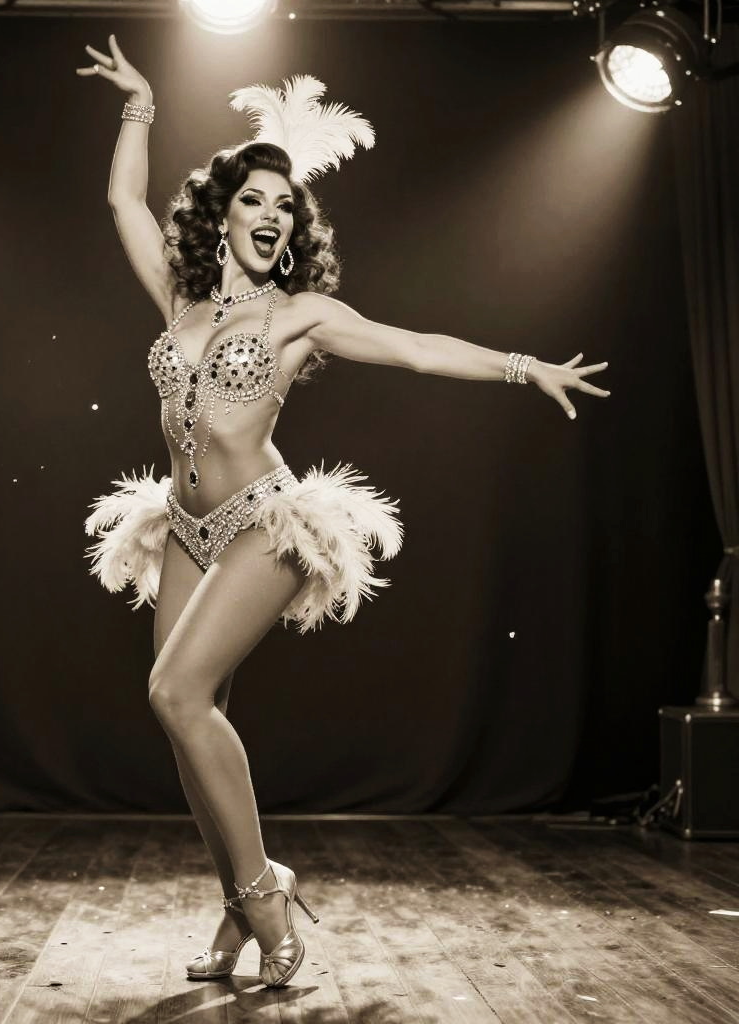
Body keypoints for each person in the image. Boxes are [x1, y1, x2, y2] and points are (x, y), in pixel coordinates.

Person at [77, 35, 611, 989]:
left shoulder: (299, 315)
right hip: (186, 528)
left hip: (265, 522)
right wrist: (140, 103)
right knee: (191, 727)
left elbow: (416, 347)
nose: (271, 216)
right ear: (221, 214)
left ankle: (266, 899)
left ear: (295, 229)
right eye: (254, 200)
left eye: (285, 206)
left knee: (174, 694)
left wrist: (524, 367)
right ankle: (240, 901)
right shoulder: (180, 302)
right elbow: (122, 201)